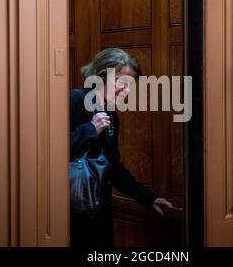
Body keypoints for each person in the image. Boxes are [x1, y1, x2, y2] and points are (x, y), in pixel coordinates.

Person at [70, 48, 173, 247]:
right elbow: (47, 154)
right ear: (100, 76)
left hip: (97, 213)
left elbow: (112, 167)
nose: (125, 90)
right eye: (120, 82)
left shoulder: (111, 115)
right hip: (69, 215)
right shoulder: (74, 100)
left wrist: (148, 199)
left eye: (129, 85)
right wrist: (90, 129)